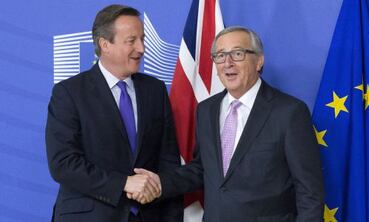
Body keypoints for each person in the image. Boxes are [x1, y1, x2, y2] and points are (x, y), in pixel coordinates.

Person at [138, 26, 325, 222]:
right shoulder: (206, 110)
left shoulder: (289, 112)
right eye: (220, 55)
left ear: (259, 61)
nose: (227, 63)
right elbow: (203, 169)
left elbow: (310, 192)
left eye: (237, 54)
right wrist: (160, 183)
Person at [45, 4, 182, 222]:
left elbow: (168, 161)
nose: (142, 48)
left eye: (142, 39)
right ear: (105, 44)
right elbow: (63, 163)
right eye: (131, 41)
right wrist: (124, 183)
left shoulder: (155, 90)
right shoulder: (69, 93)